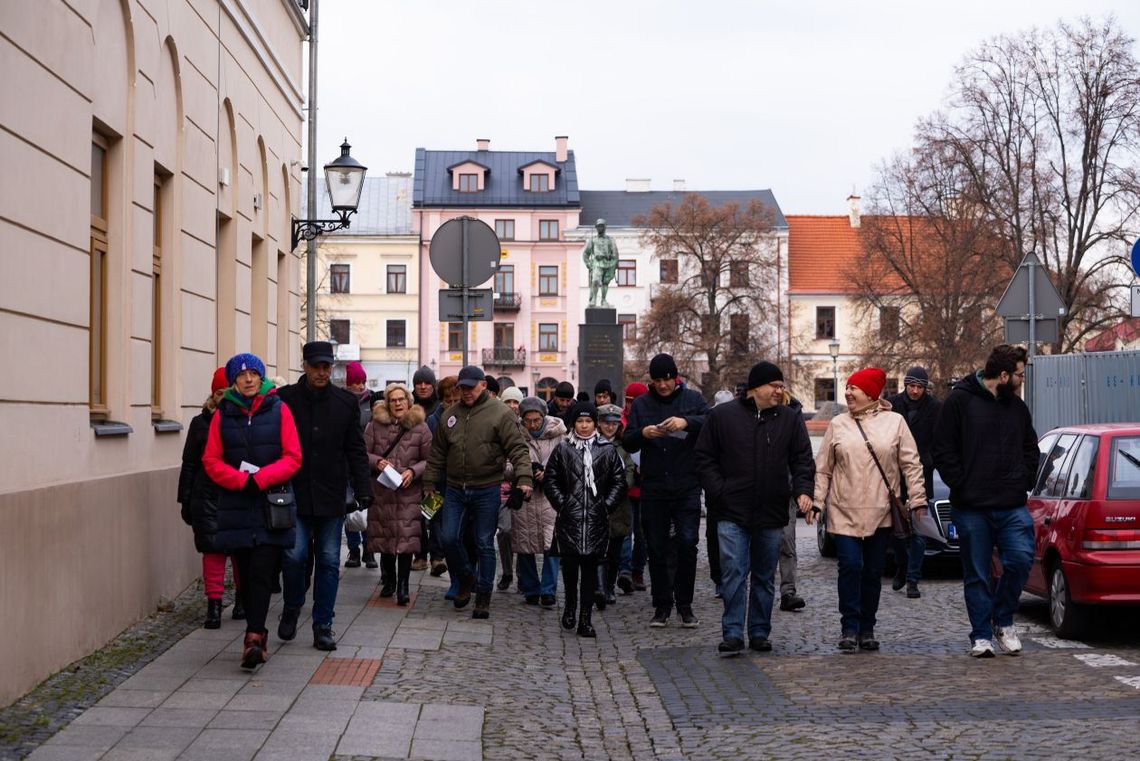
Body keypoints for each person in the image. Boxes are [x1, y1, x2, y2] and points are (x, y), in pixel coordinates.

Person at [695, 362, 815, 656]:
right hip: (731, 511)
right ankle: (733, 633)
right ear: (755, 388)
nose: (779, 391)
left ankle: (760, 631)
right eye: (774, 386)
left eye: (781, 386)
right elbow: (704, 458)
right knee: (734, 572)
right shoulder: (722, 416)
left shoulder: (789, 419)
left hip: (771, 512)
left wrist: (803, 491)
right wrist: (719, 491)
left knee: (764, 576)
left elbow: (802, 459)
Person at [809, 368, 926, 653]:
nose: (848, 393)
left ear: (870, 393)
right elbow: (823, 469)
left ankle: (867, 627)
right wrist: (817, 501)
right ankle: (849, 627)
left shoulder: (895, 422)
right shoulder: (838, 424)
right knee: (850, 567)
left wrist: (918, 499)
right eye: (848, 388)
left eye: (854, 388)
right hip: (843, 510)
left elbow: (911, 464)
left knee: (873, 572)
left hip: (880, 511)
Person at [933, 344, 1038, 658]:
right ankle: (981, 635)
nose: (1022, 380)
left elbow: (1030, 447)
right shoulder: (959, 401)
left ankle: (1002, 620)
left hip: (1012, 504)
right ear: (1004, 375)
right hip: (971, 507)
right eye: (1019, 375)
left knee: (1020, 560)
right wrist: (962, 483)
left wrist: (1024, 479)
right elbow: (943, 448)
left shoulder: (1017, 408)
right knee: (977, 573)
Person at [202, 353, 301, 669]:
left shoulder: (279, 409)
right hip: (237, 504)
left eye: (253, 374)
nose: (248, 379)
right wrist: (239, 480)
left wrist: (261, 479)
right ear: (233, 381)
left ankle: (254, 637)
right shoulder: (223, 414)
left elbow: (293, 457)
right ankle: (257, 632)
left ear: (261, 378)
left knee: (262, 570)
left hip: (271, 504)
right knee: (244, 573)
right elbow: (211, 460)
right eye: (241, 375)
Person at [275, 341, 372, 651]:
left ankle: (323, 625)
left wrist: (363, 488)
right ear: (304, 366)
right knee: (294, 557)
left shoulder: (345, 403)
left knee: (330, 560)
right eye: (315, 366)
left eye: (326, 367)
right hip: (295, 492)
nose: (321, 372)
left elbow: (356, 449)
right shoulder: (285, 399)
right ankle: (292, 606)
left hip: (331, 494)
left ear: (332, 368)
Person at [424, 366, 533, 619]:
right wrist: (429, 483)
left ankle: (483, 595)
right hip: (455, 488)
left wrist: (524, 479)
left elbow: (518, 448)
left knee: (484, 542)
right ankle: (466, 577)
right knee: (449, 538)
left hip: (487, 487)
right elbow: (437, 453)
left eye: (470, 387)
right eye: (462, 387)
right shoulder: (450, 415)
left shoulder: (500, 413)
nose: (466, 392)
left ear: (483, 385)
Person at [623, 353, 710, 628]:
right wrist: (643, 434)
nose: (662, 385)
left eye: (667, 379)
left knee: (687, 544)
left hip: (687, 484)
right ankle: (661, 606)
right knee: (656, 547)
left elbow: (711, 421)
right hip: (654, 486)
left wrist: (686, 422)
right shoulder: (641, 404)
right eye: (658, 380)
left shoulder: (693, 399)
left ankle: (685, 605)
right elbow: (627, 441)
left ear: (676, 378)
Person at [543, 402, 628, 637]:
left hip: (595, 521)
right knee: (570, 569)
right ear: (573, 424)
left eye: (588, 421)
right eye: (580, 421)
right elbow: (551, 479)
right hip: (569, 520)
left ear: (595, 423)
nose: (584, 425)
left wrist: (606, 505)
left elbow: (619, 481)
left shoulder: (607, 450)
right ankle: (570, 606)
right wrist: (562, 503)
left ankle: (585, 618)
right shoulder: (563, 449)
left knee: (590, 572)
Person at [178, 366, 243, 629]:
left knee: (240, 552)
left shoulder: (243, 420)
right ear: (213, 394)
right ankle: (214, 604)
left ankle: (242, 599)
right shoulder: (200, 423)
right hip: (206, 496)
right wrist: (184, 500)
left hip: (237, 494)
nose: (223, 397)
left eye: (228, 392)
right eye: (219, 392)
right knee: (212, 552)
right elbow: (189, 463)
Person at [364, 383, 433, 606]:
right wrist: (377, 462)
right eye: (393, 400)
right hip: (383, 490)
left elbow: (429, 459)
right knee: (384, 537)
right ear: (387, 403)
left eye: (401, 399)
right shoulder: (374, 425)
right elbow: (362, 453)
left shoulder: (421, 427)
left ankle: (403, 585)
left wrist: (413, 471)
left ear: (408, 401)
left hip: (408, 492)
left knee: (406, 539)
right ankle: (389, 580)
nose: (397, 403)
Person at [885, 366, 942, 599]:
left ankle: (913, 579)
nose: (915, 391)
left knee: (918, 531)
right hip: (895, 475)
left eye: (920, 387)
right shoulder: (892, 405)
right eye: (912, 386)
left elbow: (941, 439)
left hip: (922, 474)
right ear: (906, 385)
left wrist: (930, 459)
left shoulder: (935, 408)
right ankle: (902, 566)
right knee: (897, 530)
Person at [514, 397, 567, 607]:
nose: (533, 425)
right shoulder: (515, 434)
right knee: (524, 542)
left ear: (544, 417)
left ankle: (548, 590)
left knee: (551, 544)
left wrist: (549, 473)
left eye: (536, 420)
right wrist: (526, 471)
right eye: (528, 421)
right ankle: (530, 589)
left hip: (550, 496)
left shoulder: (559, 434)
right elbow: (507, 464)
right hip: (525, 495)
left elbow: (567, 462)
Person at [596, 403, 634, 607]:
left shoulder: (624, 446)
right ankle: (600, 587)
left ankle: (609, 586)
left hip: (619, 505)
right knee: (598, 550)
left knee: (615, 551)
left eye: (614, 423)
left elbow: (629, 472)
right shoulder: (592, 443)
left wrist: (618, 488)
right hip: (596, 503)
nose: (610, 427)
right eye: (606, 423)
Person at [343, 361, 379, 571]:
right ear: (348, 383)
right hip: (346, 464)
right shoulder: (342, 401)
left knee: (367, 506)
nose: (360, 386)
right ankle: (354, 549)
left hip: (366, 463)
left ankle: (369, 549)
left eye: (362, 381)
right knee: (349, 507)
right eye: (356, 382)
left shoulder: (372, 401)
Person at [776, 388, 809, 612]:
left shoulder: (794, 413)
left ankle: (788, 591)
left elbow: (802, 456)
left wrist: (803, 490)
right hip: (754, 491)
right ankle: (758, 591)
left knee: (787, 542)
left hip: (785, 489)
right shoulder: (748, 411)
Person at [426, 375, 460, 579]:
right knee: (434, 519)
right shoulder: (433, 420)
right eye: (448, 400)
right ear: (442, 400)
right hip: (436, 477)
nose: (452, 404)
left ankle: (447, 556)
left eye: (456, 400)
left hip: (456, 479)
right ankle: (436, 558)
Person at [622, 382, 649, 591]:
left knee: (642, 533)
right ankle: (624, 570)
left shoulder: (649, 419)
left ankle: (637, 571)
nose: (631, 406)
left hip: (645, 487)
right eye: (629, 401)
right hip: (625, 486)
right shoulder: (620, 421)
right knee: (625, 529)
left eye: (634, 402)